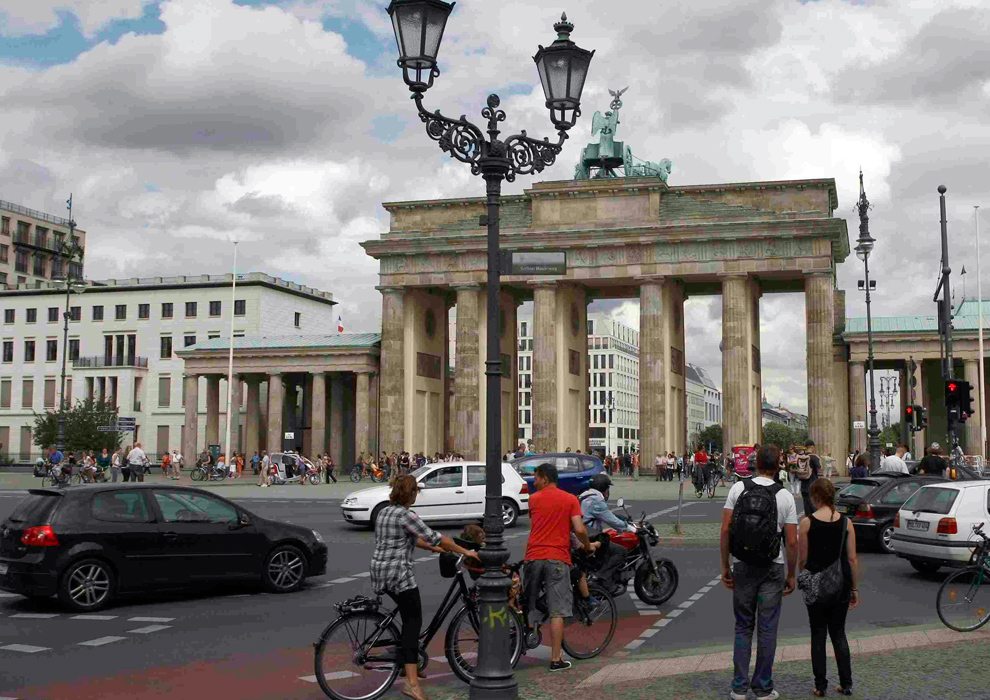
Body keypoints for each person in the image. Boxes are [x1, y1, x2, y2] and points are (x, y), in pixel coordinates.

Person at [370, 475, 478, 700]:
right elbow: (436, 537)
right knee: (413, 623)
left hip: (380, 571)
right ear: (410, 494)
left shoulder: (384, 512)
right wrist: (465, 551)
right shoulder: (406, 515)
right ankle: (411, 684)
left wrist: (433, 550)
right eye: (415, 492)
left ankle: (408, 663)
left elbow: (410, 538)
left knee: (407, 618)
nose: (416, 496)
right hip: (399, 574)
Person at [721, 444, 799, 700]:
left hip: (742, 564)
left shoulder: (738, 489)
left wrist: (725, 565)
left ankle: (739, 687)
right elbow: (792, 542)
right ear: (778, 466)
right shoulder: (784, 495)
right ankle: (763, 687)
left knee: (743, 626)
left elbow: (725, 530)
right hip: (772, 567)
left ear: (756, 464)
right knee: (767, 628)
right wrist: (791, 574)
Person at [524, 462, 596, 673]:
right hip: (557, 558)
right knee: (557, 611)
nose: (534, 482)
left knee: (528, 602)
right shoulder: (570, 499)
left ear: (545, 478)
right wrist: (587, 545)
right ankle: (556, 659)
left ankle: (526, 634)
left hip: (533, 556)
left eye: (536, 478)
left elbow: (538, 524)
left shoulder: (533, 499)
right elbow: (579, 529)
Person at [798, 478, 859, 696]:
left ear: (815, 497)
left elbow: (802, 560)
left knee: (818, 634)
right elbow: (852, 559)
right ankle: (846, 683)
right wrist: (854, 588)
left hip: (816, 585)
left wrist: (804, 576)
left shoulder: (807, 523)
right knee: (839, 633)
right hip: (840, 584)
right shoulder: (846, 523)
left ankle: (820, 685)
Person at [578, 473, 635, 596]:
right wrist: (630, 528)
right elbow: (612, 521)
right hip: (588, 538)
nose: (608, 492)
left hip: (580, 536)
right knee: (620, 551)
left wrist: (621, 520)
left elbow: (606, 515)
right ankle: (602, 578)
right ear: (603, 489)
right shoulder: (596, 500)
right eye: (608, 488)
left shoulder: (584, 496)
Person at [800, 442, 822, 517]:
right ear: (812, 447)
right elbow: (819, 468)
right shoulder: (813, 457)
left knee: (806, 507)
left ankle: (808, 521)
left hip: (803, 485)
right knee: (814, 507)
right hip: (812, 484)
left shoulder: (801, 457)